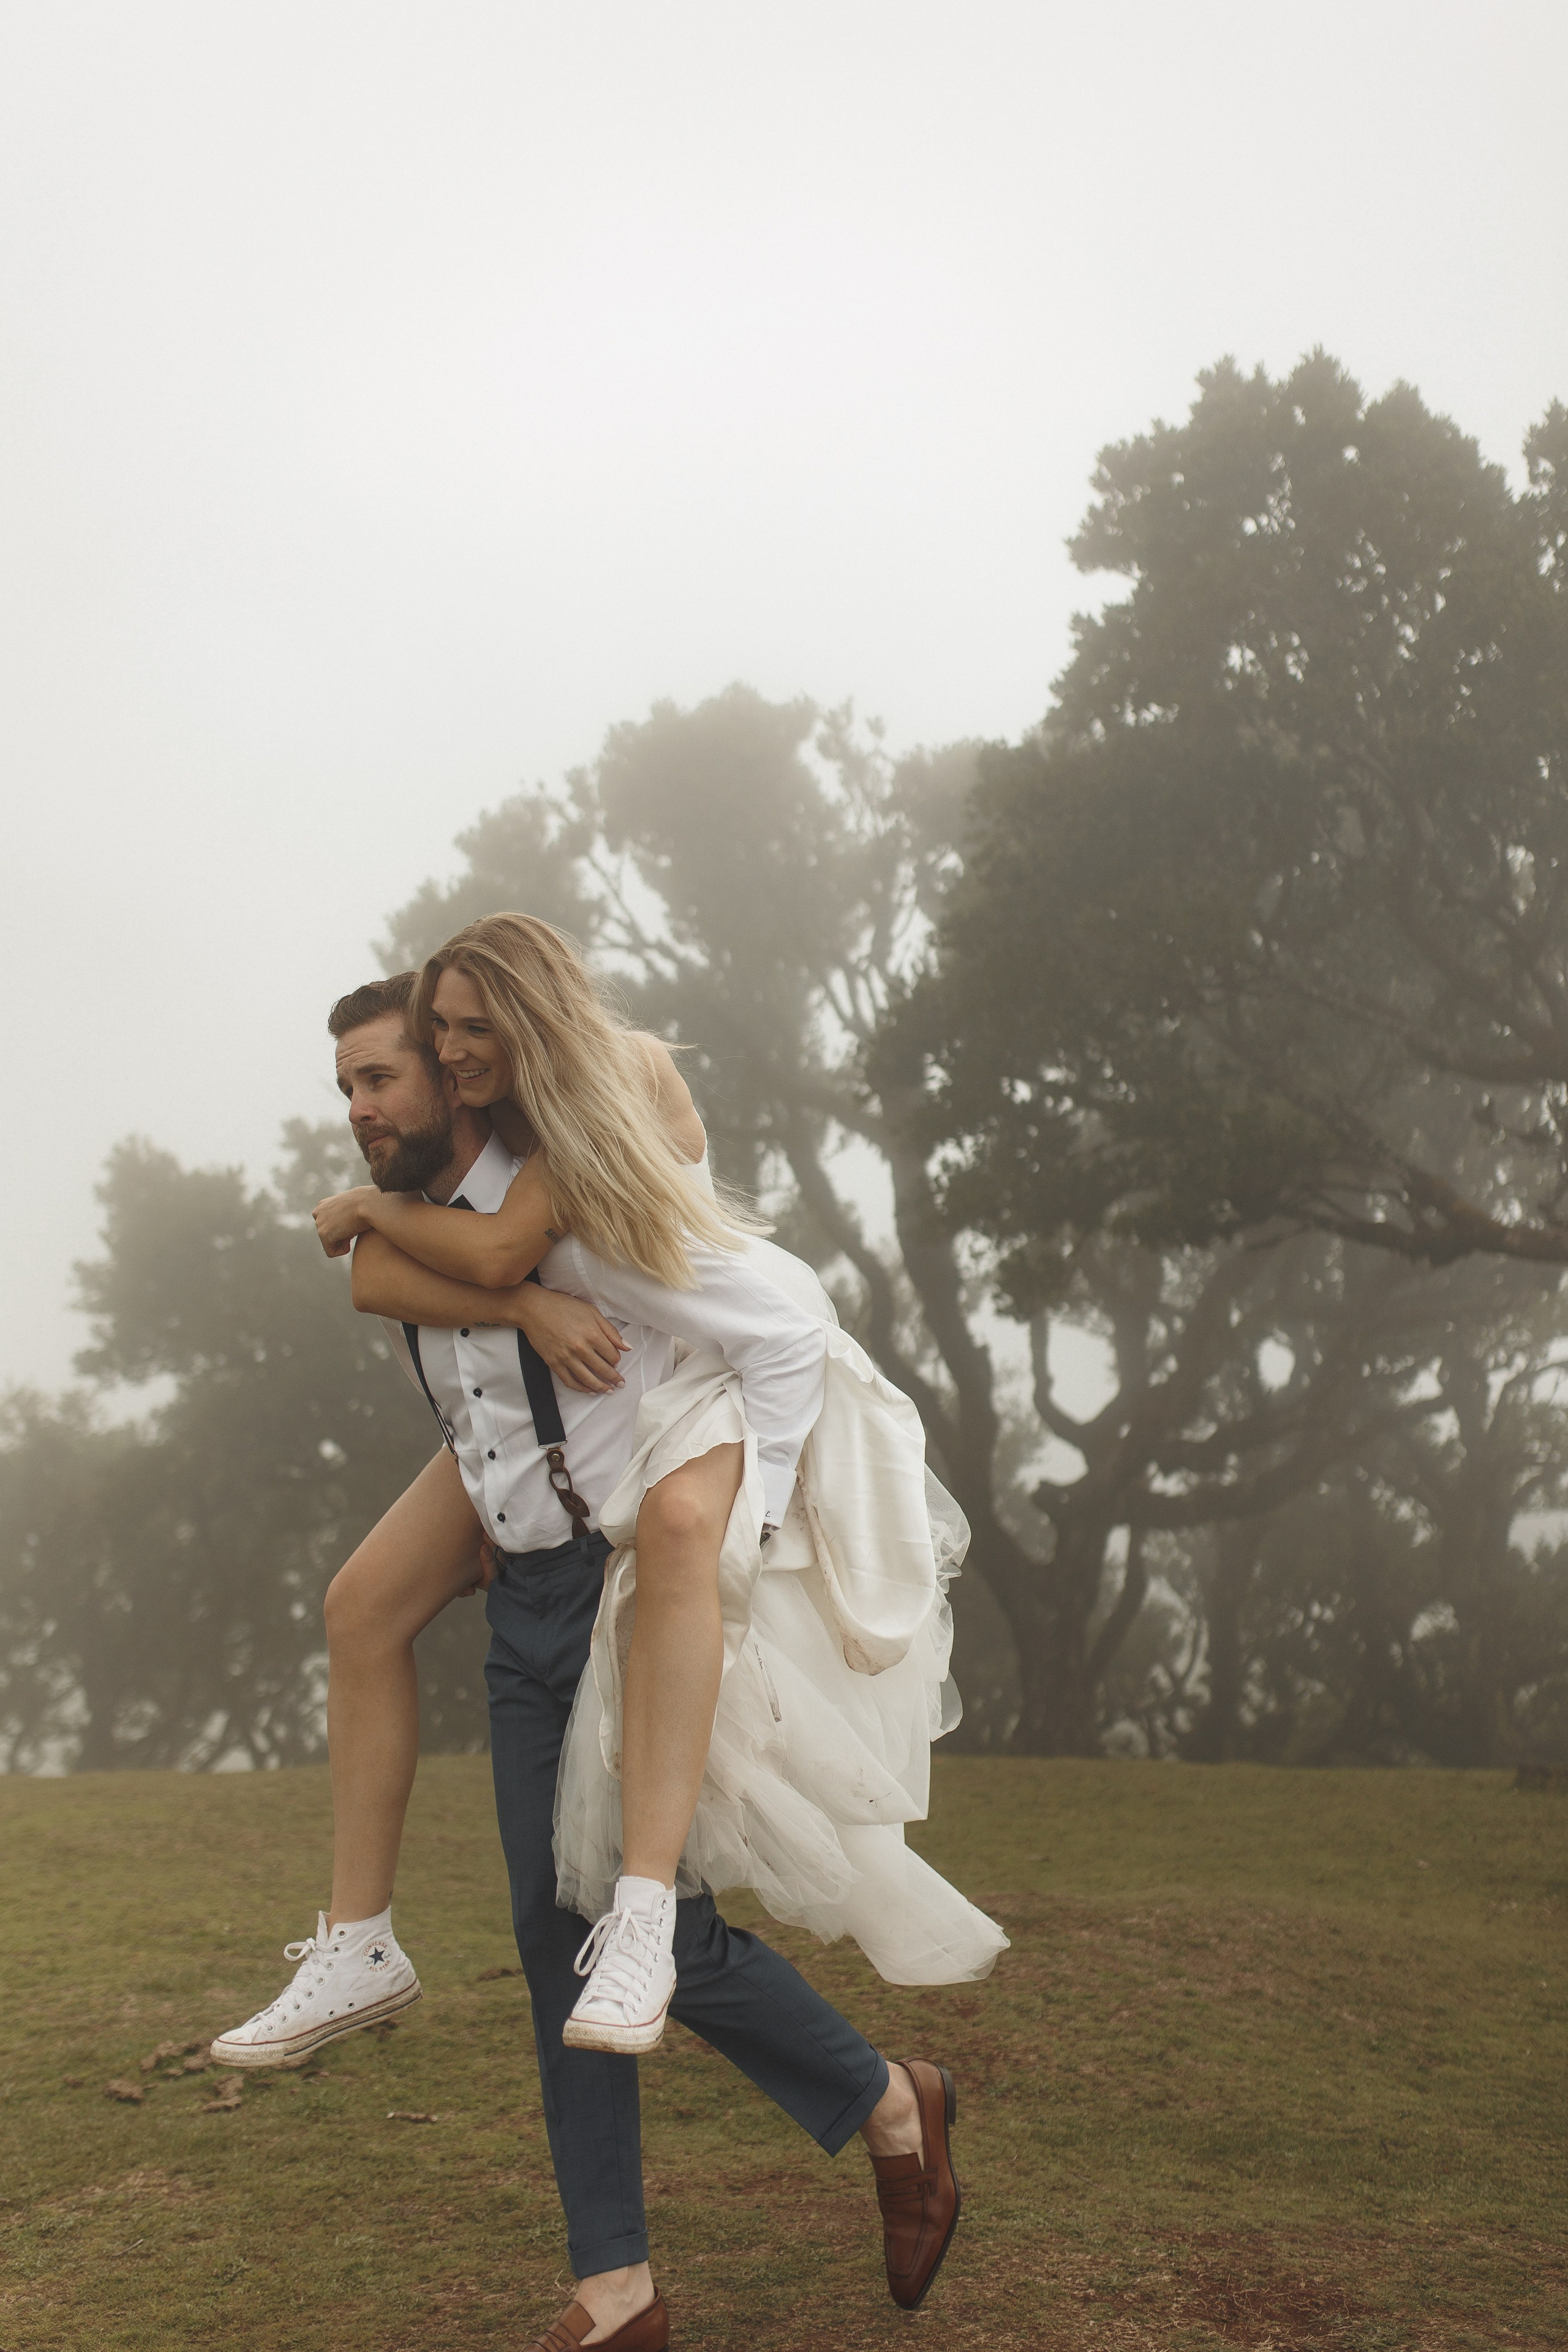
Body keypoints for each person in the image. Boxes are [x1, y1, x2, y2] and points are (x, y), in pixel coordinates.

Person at [213, 948, 980, 2349]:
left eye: (406, 1068)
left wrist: (494, 1262)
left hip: (629, 1577)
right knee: (547, 1933)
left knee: (631, 1923)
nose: (387, 1096)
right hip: (524, 1592)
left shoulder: (556, 1156)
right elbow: (388, 1276)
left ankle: (876, 2103)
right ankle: (619, 2282)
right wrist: (458, 1272)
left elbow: (588, 1169)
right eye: (367, 1081)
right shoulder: (417, 1217)